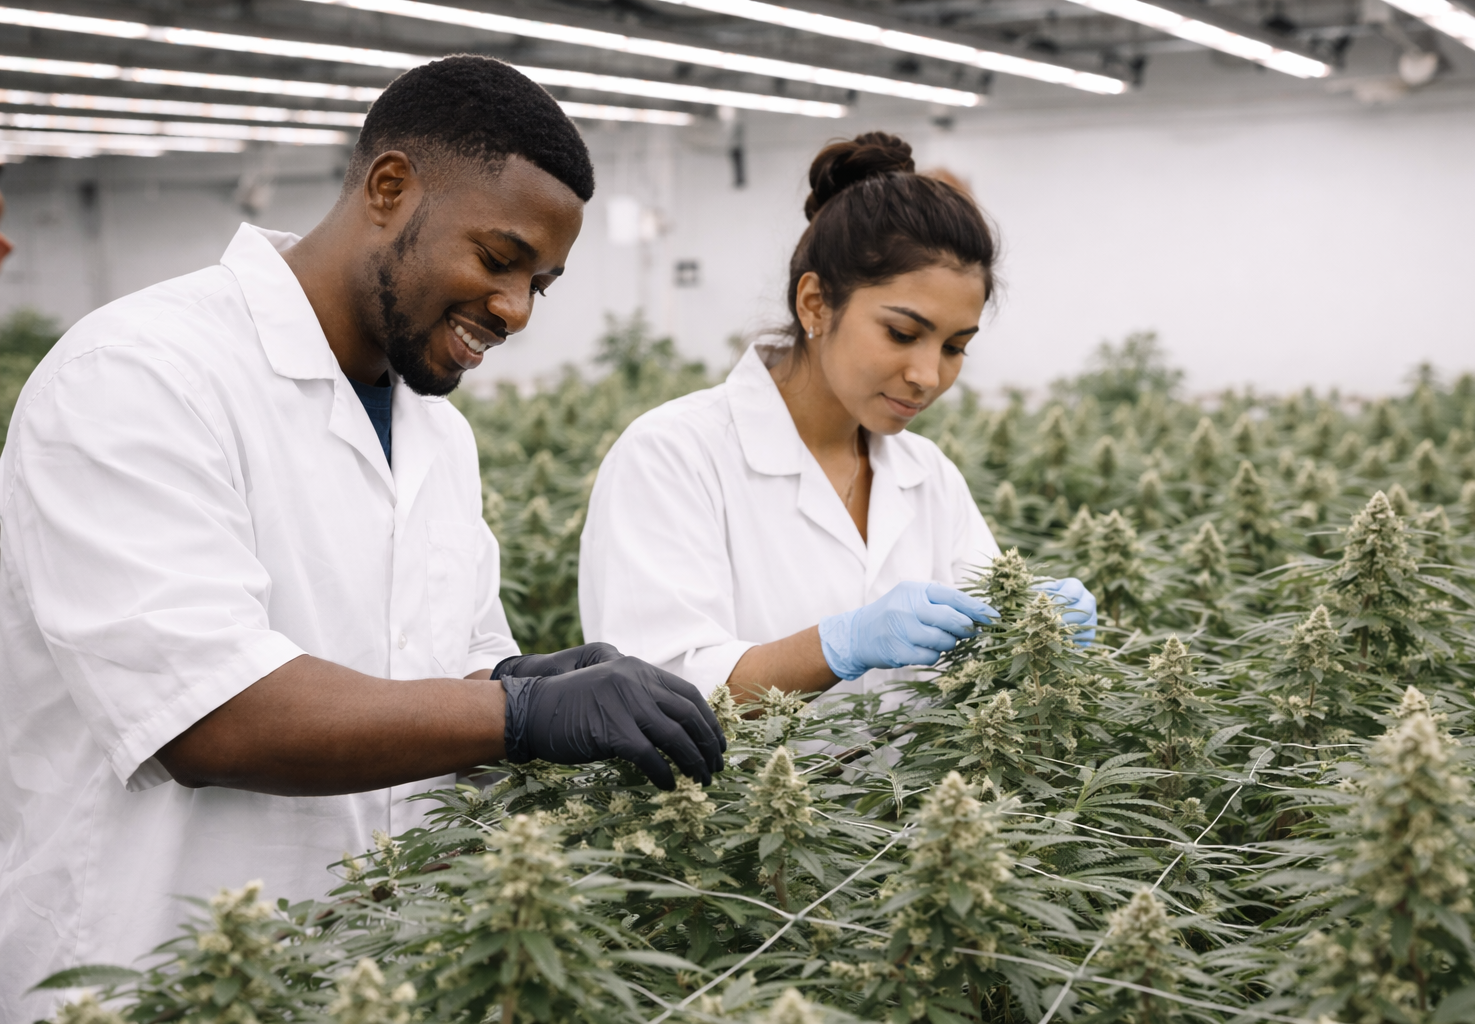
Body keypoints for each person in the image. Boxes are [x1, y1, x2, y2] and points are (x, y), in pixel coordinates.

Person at [0, 56, 722, 1019]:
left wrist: (515, 683)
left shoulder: (437, 433)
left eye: (540, 284)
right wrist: (518, 720)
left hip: (366, 977)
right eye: (499, 259)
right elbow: (208, 716)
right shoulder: (140, 374)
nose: (513, 309)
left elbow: (432, 681)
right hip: (149, 975)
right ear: (390, 187)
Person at [580, 133, 1096, 706]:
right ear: (815, 304)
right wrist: (838, 646)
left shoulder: (929, 476)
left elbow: (981, 667)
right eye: (902, 334)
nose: (928, 374)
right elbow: (652, 692)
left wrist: (1030, 624)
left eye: (954, 347)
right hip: (737, 799)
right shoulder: (672, 455)